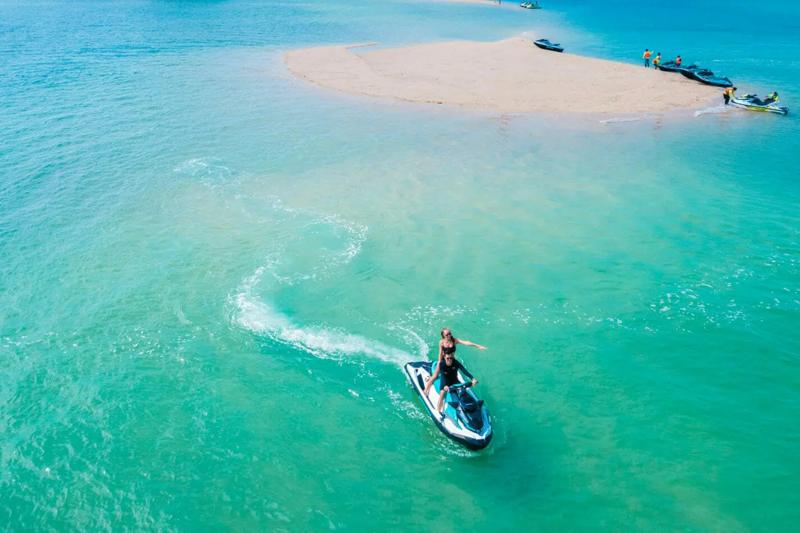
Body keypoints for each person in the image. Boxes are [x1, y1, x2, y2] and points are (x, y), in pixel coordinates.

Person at [423, 329, 486, 397]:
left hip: (452, 360)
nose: (449, 335)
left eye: (450, 333)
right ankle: (426, 390)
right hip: (444, 360)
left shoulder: (454, 340)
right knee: (435, 376)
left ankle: (460, 385)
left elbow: (466, 342)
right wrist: (439, 363)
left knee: (460, 370)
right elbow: (440, 353)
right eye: (447, 334)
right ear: (443, 336)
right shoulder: (442, 342)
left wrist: (478, 346)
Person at [426, 348, 477, 414]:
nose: (449, 360)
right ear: (444, 357)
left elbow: (464, 371)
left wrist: (472, 378)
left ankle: (467, 406)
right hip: (445, 382)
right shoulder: (442, 364)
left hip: (454, 381)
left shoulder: (455, 362)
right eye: (448, 358)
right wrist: (445, 386)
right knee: (442, 392)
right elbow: (443, 376)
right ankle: (438, 410)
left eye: (451, 358)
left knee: (463, 391)